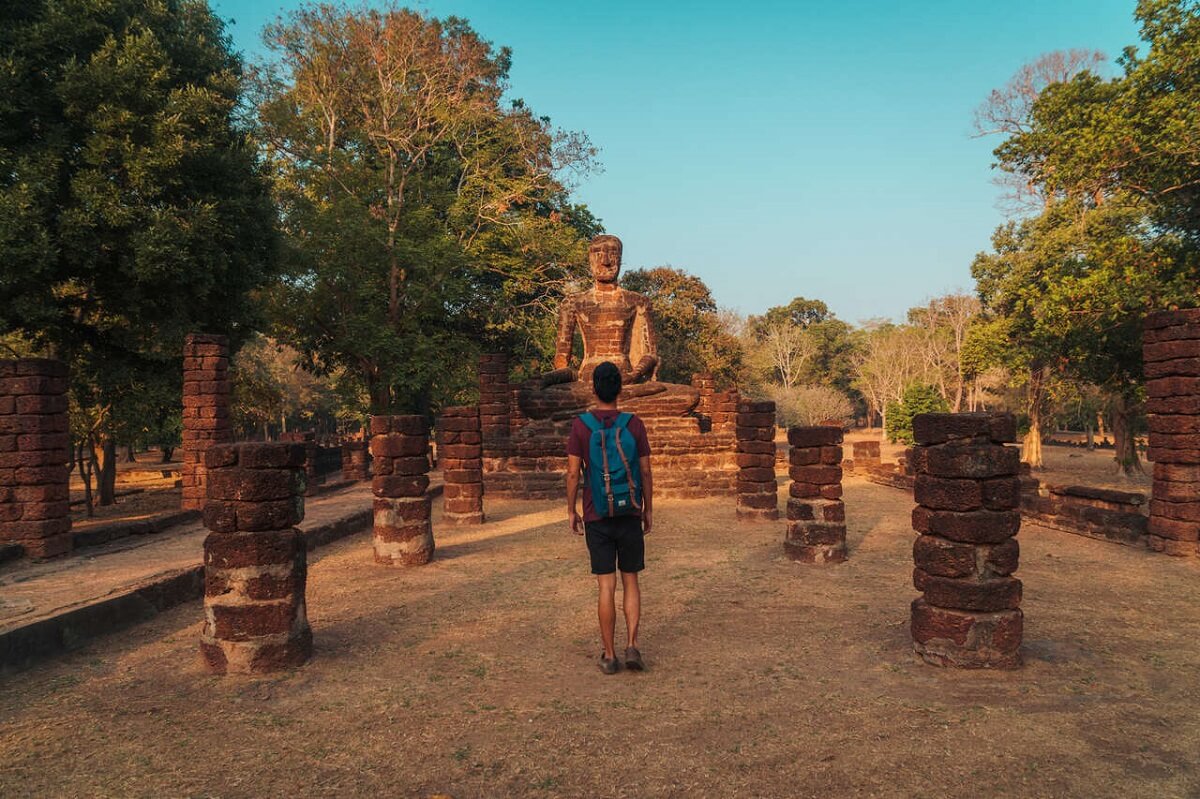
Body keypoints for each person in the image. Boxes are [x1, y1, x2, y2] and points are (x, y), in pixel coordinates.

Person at [566, 361, 654, 674]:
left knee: (606, 587)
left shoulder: (580, 426)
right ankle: (632, 645)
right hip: (629, 511)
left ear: (593, 388)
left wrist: (571, 510)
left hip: (596, 513)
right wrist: (648, 508)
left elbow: (574, 474)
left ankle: (609, 654)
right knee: (631, 581)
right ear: (620, 388)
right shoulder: (634, 424)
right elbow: (644, 470)